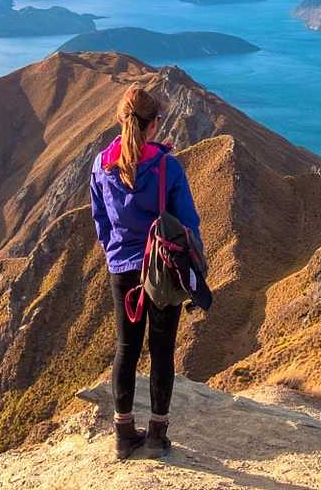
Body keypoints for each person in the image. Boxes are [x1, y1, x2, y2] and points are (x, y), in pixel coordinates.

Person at [89, 85, 202, 460]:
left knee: (126, 348)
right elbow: (187, 223)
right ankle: (157, 434)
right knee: (162, 350)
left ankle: (123, 434)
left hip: (122, 269)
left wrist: (115, 251)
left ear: (122, 121)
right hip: (163, 270)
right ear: (154, 124)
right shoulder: (167, 166)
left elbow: (100, 219)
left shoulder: (102, 164)